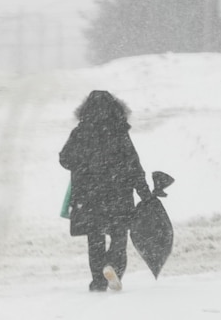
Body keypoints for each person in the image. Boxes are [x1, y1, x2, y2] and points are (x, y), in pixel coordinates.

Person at [59, 90, 152, 292]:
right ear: (114, 108)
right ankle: (113, 266)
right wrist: (144, 192)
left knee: (95, 239)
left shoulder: (80, 132)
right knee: (119, 236)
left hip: (89, 196)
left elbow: (64, 159)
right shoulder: (119, 132)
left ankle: (98, 280)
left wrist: (83, 164)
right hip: (118, 194)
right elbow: (133, 165)